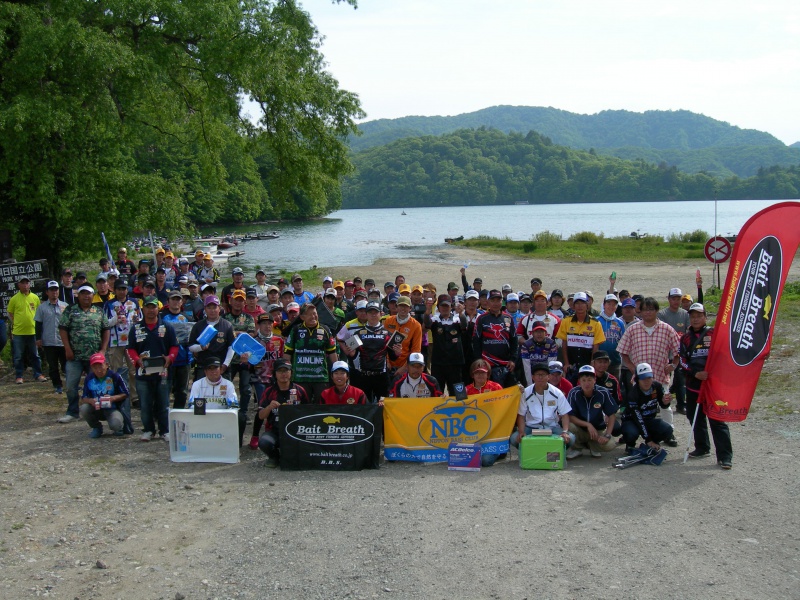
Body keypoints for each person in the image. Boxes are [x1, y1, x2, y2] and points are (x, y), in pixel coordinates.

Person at [617, 296, 680, 447]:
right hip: (639, 379)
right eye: (645, 309)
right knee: (634, 408)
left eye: (651, 309)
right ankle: (630, 434)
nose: (647, 313)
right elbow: (623, 351)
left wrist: (674, 365)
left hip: (660, 375)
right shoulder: (633, 329)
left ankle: (668, 433)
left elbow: (678, 351)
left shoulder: (667, 328)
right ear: (641, 311)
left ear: (657, 311)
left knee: (666, 406)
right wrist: (632, 368)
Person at [679, 303, 733, 469]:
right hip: (693, 384)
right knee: (695, 417)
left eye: (699, 316)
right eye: (692, 316)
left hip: (712, 386)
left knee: (717, 419)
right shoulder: (685, 338)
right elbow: (682, 361)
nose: (695, 319)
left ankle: (725, 456)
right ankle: (702, 447)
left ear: (705, 317)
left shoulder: (714, 333)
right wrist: (695, 373)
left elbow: (724, 356)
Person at [126, 296, 179, 442]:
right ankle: (148, 430)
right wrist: (137, 360)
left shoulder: (167, 327)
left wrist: (170, 357)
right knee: (145, 404)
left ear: (159, 308)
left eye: (153, 307)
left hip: (163, 371)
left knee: (163, 403)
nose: (151, 310)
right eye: (148, 307)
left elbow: (175, 346)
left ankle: (165, 431)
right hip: (143, 373)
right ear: (143, 308)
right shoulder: (136, 328)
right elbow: (130, 349)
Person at [58, 285, 111, 423]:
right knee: (71, 385)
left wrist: (103, 350)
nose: (86, 296)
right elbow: (63, 329)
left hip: (94, 358)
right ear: (78, 295)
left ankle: (96, 411)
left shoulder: (98, 311)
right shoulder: (70, 310)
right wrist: (67, 348)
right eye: (83, 294)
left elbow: (106, 330)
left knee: (96, 385)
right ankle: (72, 412)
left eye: (89, 294)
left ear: (93, 295)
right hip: (74, 356)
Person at [339, 301, 398, 403]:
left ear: (381, 314)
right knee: (362, 407)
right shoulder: (358, 333)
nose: (373, 315)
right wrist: (350, 353)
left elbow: (393, 358)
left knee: (383, 407)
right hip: (363, 377)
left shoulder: (388, 334)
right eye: (370, 312)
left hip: (382, 377)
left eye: (376, 312)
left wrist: (397, 353)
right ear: (366, 314)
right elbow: (352, 355)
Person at [256, 358, 310, 468]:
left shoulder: (299, 391)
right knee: (264, 442)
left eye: (286, 371)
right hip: (275, 430)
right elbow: (261, 416)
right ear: (275, 374)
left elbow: (309, 413)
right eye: (280, 371)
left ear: (291, 372)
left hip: (296, 431)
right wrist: (269, 407)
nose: (283, 374)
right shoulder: (269, 392)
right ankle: (274, 457)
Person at [510, 362, 574, 450]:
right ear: (533, 377)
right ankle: (531, 453)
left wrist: (565, 431)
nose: (540, 377)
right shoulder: (526, 393)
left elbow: (565, 414)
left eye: (543, 375)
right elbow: (521, 415)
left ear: (548, 377)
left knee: (571, 438)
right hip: (531, 427)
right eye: (538, 374)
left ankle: (554, 453)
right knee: (514, 438)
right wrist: (521, 431)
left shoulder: (557, 393)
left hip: (552, 427)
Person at [284, 303, 337, 403]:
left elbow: (332, 353)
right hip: (300, 378)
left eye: (315, 313)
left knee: (321, 407)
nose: (313, 316)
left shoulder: (325, 330)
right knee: (302, 407)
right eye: (309, 314)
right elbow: (287, 353)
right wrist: (287, 373)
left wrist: (336, 371)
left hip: (321, 378)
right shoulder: (295, 330)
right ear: (302, 317)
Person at [620, 363, 674, 454]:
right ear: (637, 379)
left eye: (649, 378)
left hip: (649, 419)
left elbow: (663, 405)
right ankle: (630, 444)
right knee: (630, 433)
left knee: (668, 429)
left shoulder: (657, 386)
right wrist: (648, 439)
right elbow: (638, 419)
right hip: (632, 420)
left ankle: (653, 442)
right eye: (643, 378)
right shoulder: (633, 394)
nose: (646, 381)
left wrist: (666, 402)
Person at [566, 365, 618, 459]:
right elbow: (570, 416)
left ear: (595, 380)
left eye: (589, 380)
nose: (587, 383)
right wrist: (587, 425)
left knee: (610, 445)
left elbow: (612, 415)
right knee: (569, 425)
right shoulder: (573, 393)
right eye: (584, 380)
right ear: (579, 381)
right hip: (580, 428)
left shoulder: (603, 392)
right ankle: (577, 449)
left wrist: (607, 435)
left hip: (597, 430)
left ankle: (593, 446)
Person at [424, 294, 468, 395]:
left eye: (447, 306)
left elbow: (464, 326)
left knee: (459, 394)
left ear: (451, 306)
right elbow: (427, 323)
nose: (444, 308)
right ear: (438, 307)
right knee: (436, 392)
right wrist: (427, 311)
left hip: (455, 363)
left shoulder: (457, 319)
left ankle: (461, 409)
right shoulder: (435, 320)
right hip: (438, 363)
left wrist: (461, 313)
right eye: (442, 306)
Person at [472, 289, 518, 387]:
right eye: (493, 300)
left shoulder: (508, 318)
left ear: (502, 302)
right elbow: (476, 341)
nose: (496, 303)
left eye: (498, 300)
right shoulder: (481, 319)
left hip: (506, 364)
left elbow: (514, 340)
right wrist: (479, 360)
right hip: (487, 365)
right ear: (488, 302)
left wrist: (513, 360)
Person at [556, 292, 605, 382]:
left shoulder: (596, 323)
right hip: (571, 365)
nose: (580, 306)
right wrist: (566, 363)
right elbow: (564, 343)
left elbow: (596, 346)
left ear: (587, 305)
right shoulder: (566, 321)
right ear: (573, 306)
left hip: (587, 364)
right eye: (577, 303)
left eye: (582, 303)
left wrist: (592, 363)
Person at [79, 353, 130, 438]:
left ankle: (119, 427)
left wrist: (113, 398)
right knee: (84, 408)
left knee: (116, 424)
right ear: (91, 368)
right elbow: (84, 397)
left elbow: (126, 393)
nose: (98, 370)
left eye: (100, 366)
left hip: (112, 408)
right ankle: (96, 427)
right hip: (97, 408)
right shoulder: (89, 378)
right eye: (95, 368)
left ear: (106, 365)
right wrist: (91, 401)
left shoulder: (115, 376)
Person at [7, 275, 46, 384]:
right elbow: (10, 313)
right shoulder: (14, 299)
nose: (25, 285)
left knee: (35, 355)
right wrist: (16, 322)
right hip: (18, 333)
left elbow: (39, 312)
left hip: (33, 332)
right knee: (18, 356)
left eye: (27, 283)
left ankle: (38, 374)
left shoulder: (35, 297)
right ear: (18, 285)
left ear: (30, 284)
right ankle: (19, 376)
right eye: (22, 283)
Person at [187, 295, 236, 380]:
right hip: (203, 366)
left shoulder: (227, 325)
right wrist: (200, 347)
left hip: (221, 366)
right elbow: (190, 346)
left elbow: (232, 347)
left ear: (219, 308)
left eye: (214, 307)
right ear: (205, 309)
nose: (212, 310)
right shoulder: (198, 326)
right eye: (209, 308)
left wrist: (225, 364)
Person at [658, 288, 690, 414]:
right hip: (666, 353)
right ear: (669, 299)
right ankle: (660, 402)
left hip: (680, 353)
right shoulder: (662, 314)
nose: (676, 301)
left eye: (678, 299)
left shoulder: (685, 314)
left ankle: (681, 405)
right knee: (663, 379)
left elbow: (688, 333)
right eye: (673, 298)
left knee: (681, 379)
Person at [161, 290, 193, 409]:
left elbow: (192, 339)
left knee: (182, 391)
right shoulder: (161, 317)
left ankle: (178, 412)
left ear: (182, 302)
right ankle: (162, 415)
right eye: (173, 299)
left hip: (183, 360)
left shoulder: (187, 318)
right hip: (166, 360)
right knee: (164, 389)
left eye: (178, 299)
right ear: (168, 301)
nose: (175, 302)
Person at [34, 280, 68, 394]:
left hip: (63, 341)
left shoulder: (65, 306)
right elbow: (38, 324)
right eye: (52, 290)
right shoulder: (42, 307)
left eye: (56, 290)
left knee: (67, 365)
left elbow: (70, 324)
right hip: (48, 341)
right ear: (47, 292)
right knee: (53, 366)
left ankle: (71, 384)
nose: (54, 292)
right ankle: (57, 385)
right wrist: (38, 338)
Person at [384, 295, 423, 376]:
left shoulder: (416, 325)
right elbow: (383, 344)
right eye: (401, 306)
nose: (403, 309)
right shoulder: (388, 321)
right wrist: (386, 362)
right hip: (388, 365)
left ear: (410, 308)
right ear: (396, 307)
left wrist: (405, 367)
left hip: (405, 367)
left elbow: (416, 350)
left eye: (406, 306)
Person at [519, 321, 558, 386]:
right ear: (532, 333)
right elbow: (526, 367)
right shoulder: (526, 345)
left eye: (541, 331)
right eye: (537, 331)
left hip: (546, 373)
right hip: (531, 373)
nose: (539, 334)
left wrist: (547, 383)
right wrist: (530, 385)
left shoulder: (552, 344)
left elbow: (551, 365)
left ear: (545, 333)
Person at [597, 294, 626, 380]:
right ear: (604, 305)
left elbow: (623, 341)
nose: (611, 306)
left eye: (614, 304)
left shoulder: (620, 323)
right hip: (599, 361)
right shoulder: (596, 320)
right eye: (609, 304)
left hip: (615, 361)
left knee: (614, 385)